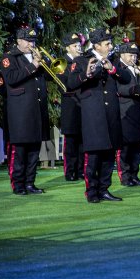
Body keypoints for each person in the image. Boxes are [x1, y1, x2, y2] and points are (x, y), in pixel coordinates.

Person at [68, 28, 131, 203]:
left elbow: (126, 78)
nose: (111, 46)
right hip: (93, 114)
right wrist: (86, 75)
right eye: (107, 44)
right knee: (94, 155)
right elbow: (71, 83)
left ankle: (104, 189)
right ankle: (92, 191)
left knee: (109, 154)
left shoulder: (114, 60)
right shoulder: (82, 60)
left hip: (111, 113)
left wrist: (113, 69)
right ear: (96, 45)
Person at [0, 28, 49, 195]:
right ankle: (18, 185)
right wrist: (33, 65)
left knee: (35, 150)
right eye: (28, 40)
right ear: (19, 41)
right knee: (20, 150)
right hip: (20, 112)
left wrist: (44, 63)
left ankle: (30, 183)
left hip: (37, 110)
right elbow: (11, 79)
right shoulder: (9, 57)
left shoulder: (37, 57)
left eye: (33, 40)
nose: (31, 44)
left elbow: (49, 76)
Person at [115, 42, 140, 186]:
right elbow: (121, 90)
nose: (134, 58)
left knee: (137, 146)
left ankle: (134, 175)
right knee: (125, 148)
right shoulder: (118, 68)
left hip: (138, 111)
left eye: (135, 55)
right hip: (125, 112)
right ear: (122, 55)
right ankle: (125, 176)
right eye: (130, 55)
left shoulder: (136, 69)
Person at [58, 32, 85, 181]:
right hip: (70, 104)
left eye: (79, 45)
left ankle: (81, 170)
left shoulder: (82, 61)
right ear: (68, 48)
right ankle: (70, 172)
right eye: (75, 46)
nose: (79, 48)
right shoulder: (63, 63)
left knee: (82, 140)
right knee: (71, 141)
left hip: (83, 103)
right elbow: (65, 83)